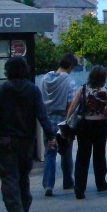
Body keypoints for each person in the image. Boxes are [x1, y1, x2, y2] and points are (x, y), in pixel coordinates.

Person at [0, 57, 55, 212]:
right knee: (23, 176)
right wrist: (50, 135)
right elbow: (42, 115)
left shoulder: (1, 90)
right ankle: (24, 208)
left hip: (5, 141)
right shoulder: (32, 90)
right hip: (26, 141)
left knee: (9, 177)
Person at [68, 65, 107, 200]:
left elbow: (73, 107)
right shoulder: (106, 91)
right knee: (99, 154)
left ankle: (79, 187)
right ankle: (101, 183)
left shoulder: (82, 89)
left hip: (84, 125)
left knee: (82, 156)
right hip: (100, 125)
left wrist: (68, 121)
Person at [36, 52, 78, 195]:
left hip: (47, 120)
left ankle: (48, 184)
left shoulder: (44, 79)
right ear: (71, 66)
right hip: (62, 120)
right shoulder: (69, 81)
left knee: (49, 152)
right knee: (66, 152)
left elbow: (39, 100)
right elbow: (70, 104)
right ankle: (68, 181)